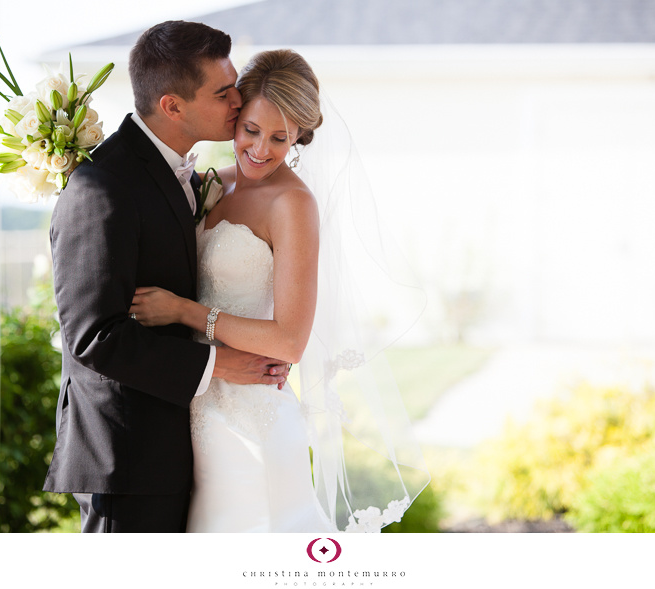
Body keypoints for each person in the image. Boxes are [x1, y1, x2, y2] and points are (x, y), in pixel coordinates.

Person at [129, 49, 430, 532]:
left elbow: (289, 341)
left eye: (280, 138)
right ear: (235, 113)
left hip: (250, 414)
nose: (260, 150)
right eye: (250, 129)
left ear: (299, 138)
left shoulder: (292, 204)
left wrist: (186, 312)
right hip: (194, 399)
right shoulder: (211, 184)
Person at [43, 21, 290, 533]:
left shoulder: (186, 175)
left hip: (186, 448)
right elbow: (95, 338)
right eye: (223, 93)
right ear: (172, 105)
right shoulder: (102, 186)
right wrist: (221, 365)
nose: (239, 103)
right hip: (127, 461)